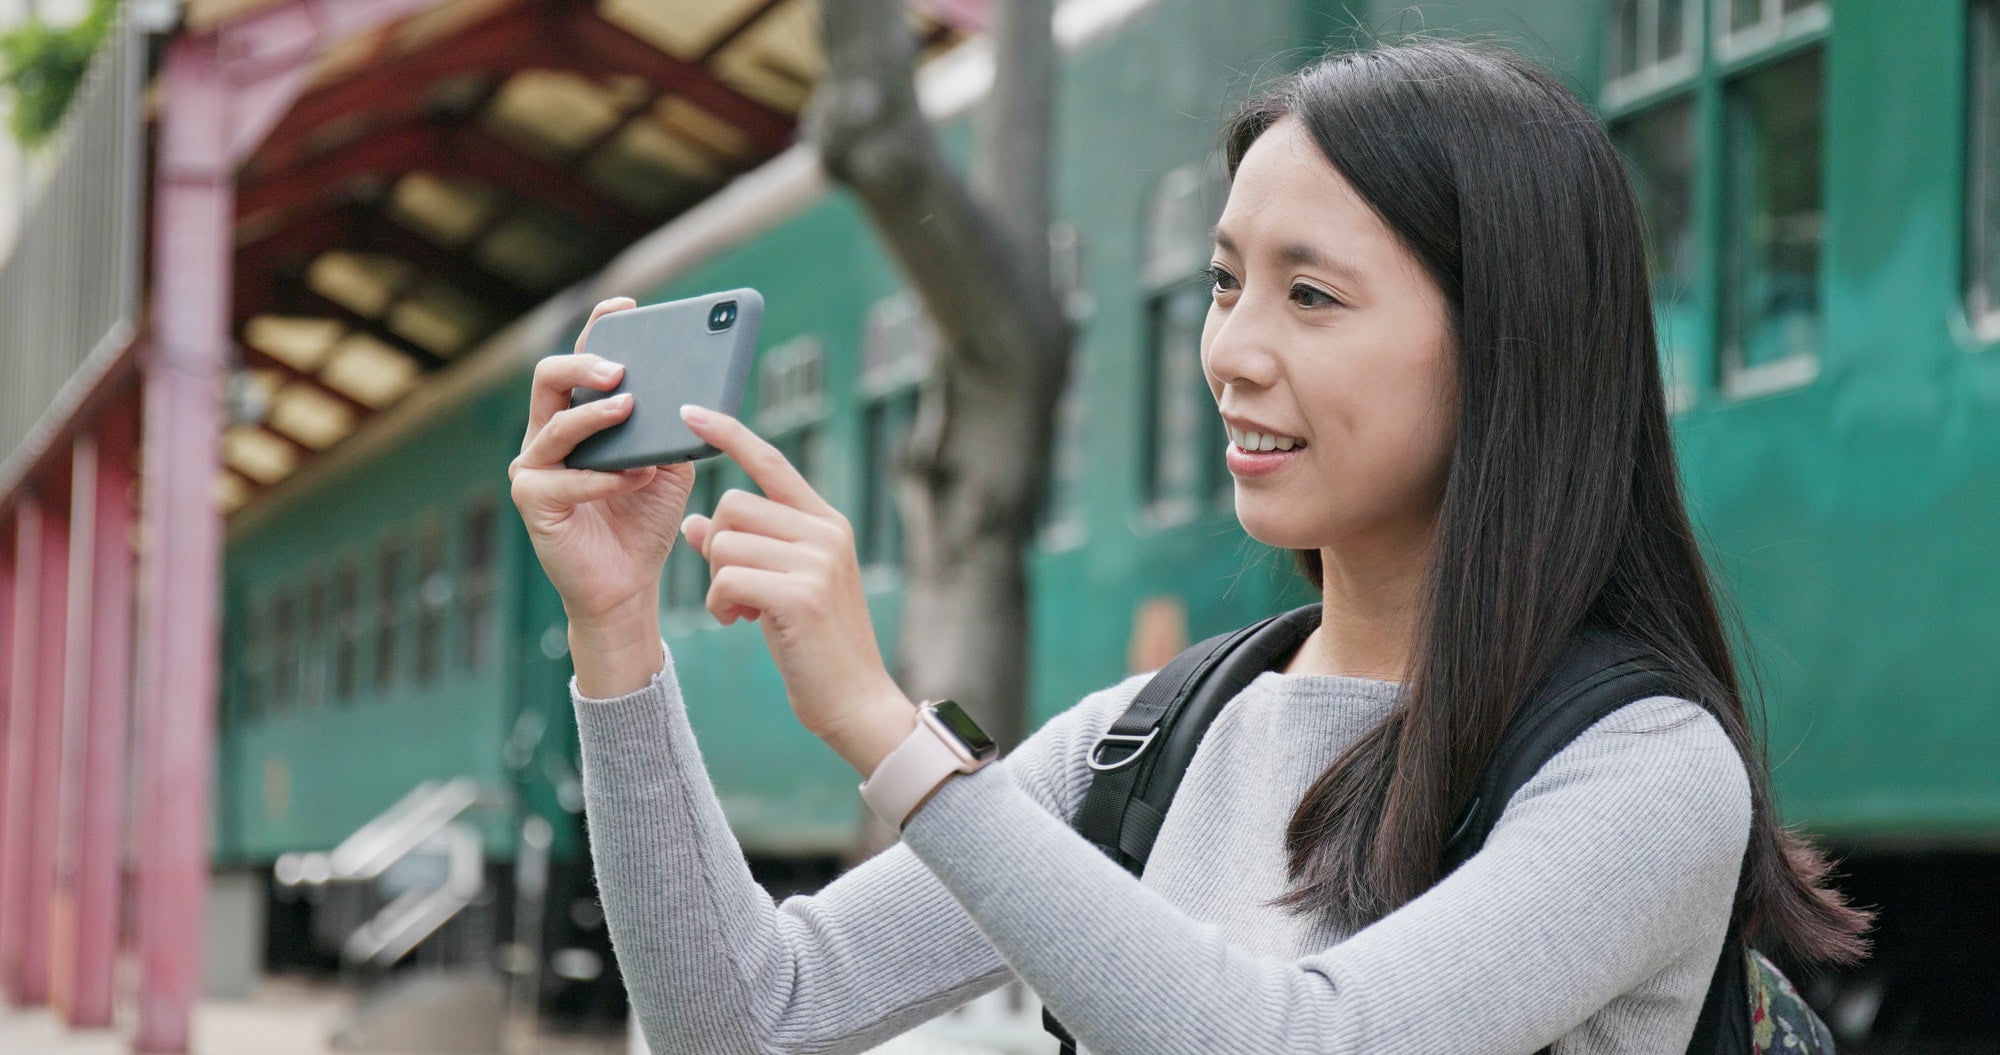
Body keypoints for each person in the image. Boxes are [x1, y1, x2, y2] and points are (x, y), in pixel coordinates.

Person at [508, 35, 1870, 1055]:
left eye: (1312, 295)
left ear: (1508, 346)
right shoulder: (1152, 740)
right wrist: (617, 635)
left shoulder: (1639, 769)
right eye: (1226, 284)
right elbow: (744, 1018)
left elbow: (1297, 1042)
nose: (1231, 352)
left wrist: (891, 732)